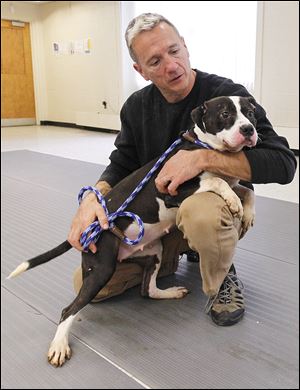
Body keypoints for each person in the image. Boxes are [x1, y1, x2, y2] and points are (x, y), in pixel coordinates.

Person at [69, 13, 297, 326]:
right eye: (155, 60)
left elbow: (284, 164)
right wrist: (92, 198)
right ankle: (164, 256)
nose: (172, 65)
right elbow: (122, 161)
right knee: (89, 287)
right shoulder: (136, 106)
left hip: (212, 204)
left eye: (174, 51)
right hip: (160, 214)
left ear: (186, 47)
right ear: (141, 70)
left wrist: (203, 159)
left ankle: (220, 273)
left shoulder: (228, 96)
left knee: (202, 214)